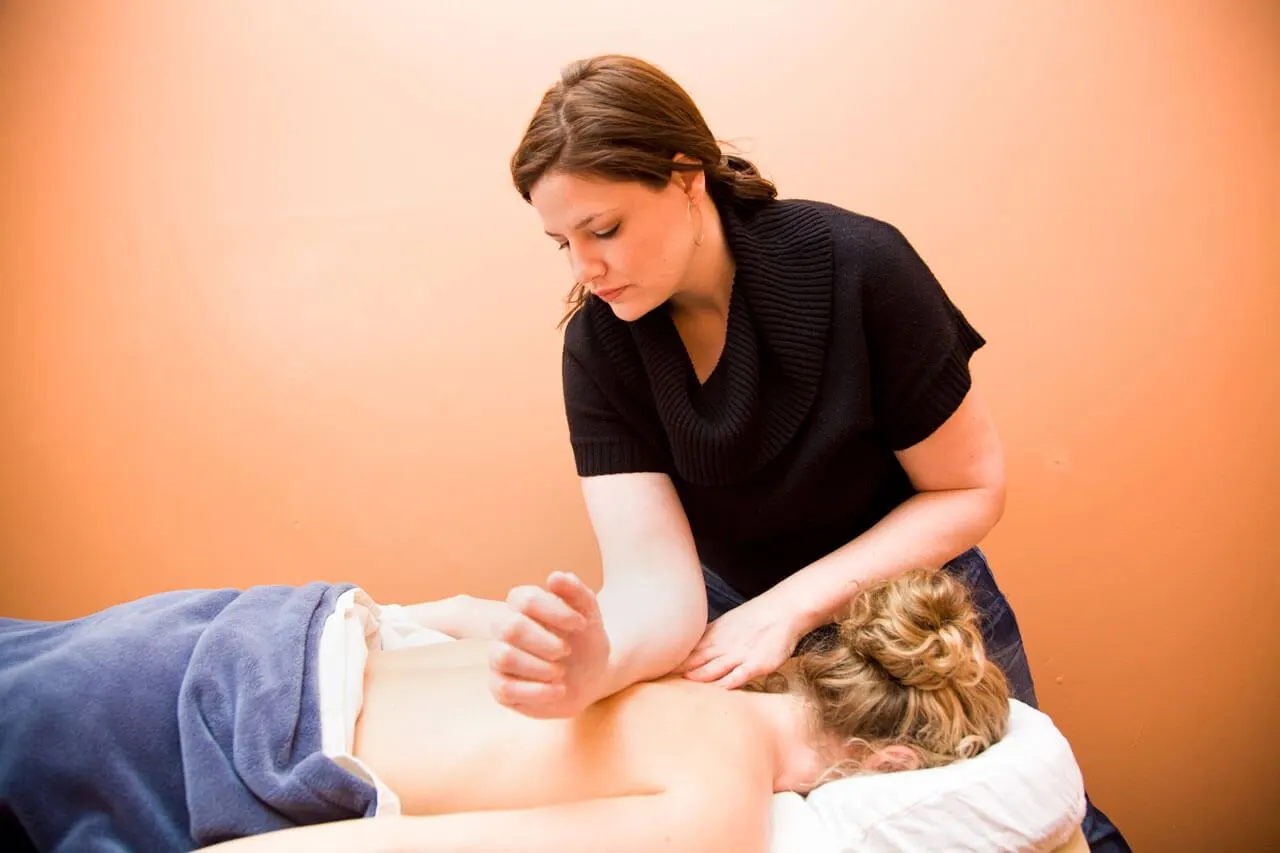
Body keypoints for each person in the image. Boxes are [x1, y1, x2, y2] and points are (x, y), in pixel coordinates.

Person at [501, 54, 1129, 851]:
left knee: (1024, 820)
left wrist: (789, 608)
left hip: (911, 615)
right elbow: (654, 581)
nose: (586, 269)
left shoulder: (859, 265)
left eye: (606, 229)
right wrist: (603, 662)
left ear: (687, 177)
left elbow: (969, 490)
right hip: (739, 628)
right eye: (562, 242)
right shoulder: (600, 345)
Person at [0, 567, 1009, 852]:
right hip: (189, 745)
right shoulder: (719, 806)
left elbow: (444, 617)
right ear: (886, 766)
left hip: (239, 637)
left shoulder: (679, 654)